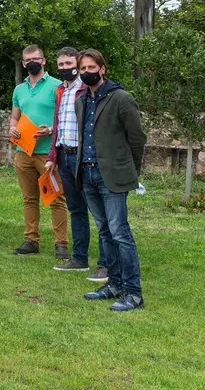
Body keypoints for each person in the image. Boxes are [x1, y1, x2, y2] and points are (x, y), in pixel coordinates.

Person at [75, 48, 147, 312]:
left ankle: (133, 293)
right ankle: (114, 285)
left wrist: (130, 171)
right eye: (83, 69)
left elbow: (137, 138)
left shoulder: (121, 98)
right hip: (88, 174)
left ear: (103, 69)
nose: (87, 72)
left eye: (91, 68)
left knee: (120, 232)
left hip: (112, 176)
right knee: (105, 231)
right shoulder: (81, 100)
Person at [46, 47, 108, 278]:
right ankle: (79, 258)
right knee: (76, 209)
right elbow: (57, 126)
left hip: (86, 158)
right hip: (65, 156)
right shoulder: (61, 90)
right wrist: (52, 157)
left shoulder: (87, 89)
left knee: (100, 212)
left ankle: (105, 263)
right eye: (61, 64)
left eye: (70, 64)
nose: (65, 68)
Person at [8, 45, 69, 258]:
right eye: (27, 60)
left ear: (43, 61)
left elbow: (65, 117)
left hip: (48, 153)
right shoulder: (19, 90)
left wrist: (50, 130)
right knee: (29, 198)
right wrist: (12, 127)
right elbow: (15, 117)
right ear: (23, 63)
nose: (31, 62)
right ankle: (31, 240)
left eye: (35, 59)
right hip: (23, 151)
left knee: (55, 198)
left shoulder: (57, 86)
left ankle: (61, 243)